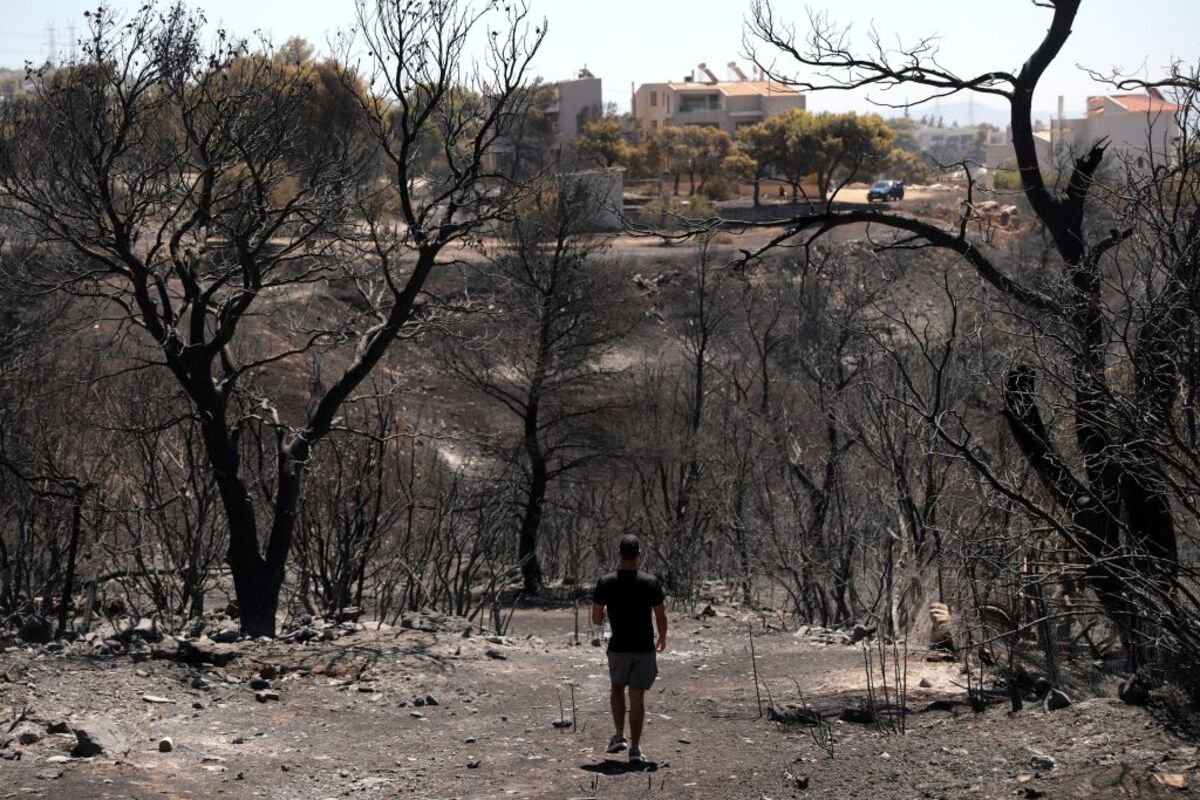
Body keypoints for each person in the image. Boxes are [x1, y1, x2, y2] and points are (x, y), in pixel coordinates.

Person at [591, 534, 667, 765]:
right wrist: (662, 637)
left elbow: (596, 618)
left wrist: (606, 624)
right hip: (644, 646)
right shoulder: (650, 582)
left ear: (619, 554)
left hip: (618, 646)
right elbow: (660, 615)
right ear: (639, 554)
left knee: (616, 688)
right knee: (637, 696)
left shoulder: (606, 582)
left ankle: (618, 735)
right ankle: (635, 748)